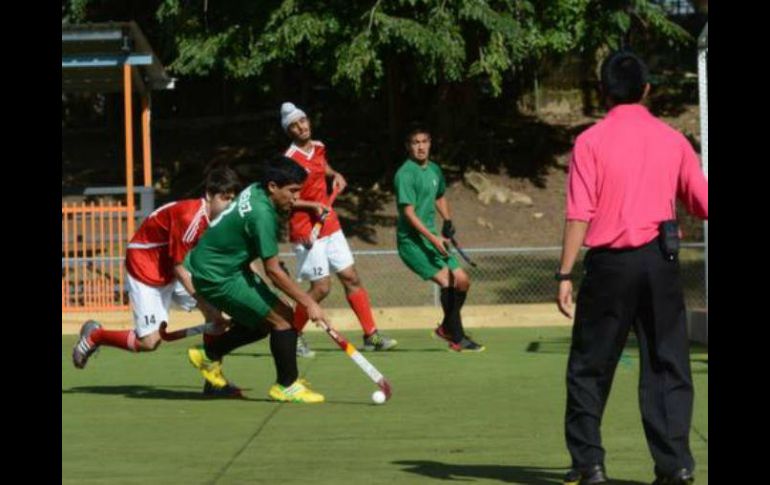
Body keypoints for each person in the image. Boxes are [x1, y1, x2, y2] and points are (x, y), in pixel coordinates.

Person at [556, 51, 708, 485]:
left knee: (590, 364)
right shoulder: (673, 140)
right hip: (660, 262)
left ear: (603, 92)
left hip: (609, 266)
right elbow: (702, 202)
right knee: (667, 363)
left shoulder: (590, 142)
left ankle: (589, 463)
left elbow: (579, 213)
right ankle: (675, 465)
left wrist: (564, 274)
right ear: (647, 89)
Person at [71, 167, 242, 395]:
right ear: (209, 195)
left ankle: (213, 381)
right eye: (224, 198)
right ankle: (95, 335)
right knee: (149, 342)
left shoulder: (216, 219)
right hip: (146, 267)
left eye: (232, 199)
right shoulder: (190, 218)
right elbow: (180, 268)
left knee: (214, 310)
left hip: (172, 265)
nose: (229, 205)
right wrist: (203, 301)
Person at [184, 155, 331, 403]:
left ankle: (208, 354)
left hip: (217, 267)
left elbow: (277, 208)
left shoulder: (256, 190)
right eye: (293, 191)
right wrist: (309, 302)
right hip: (218, 276)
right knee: (284, 319)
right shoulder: (262, 216)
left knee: (263, 324)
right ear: (273, 186)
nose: (296, 197)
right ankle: (287, 386)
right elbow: (273, 271)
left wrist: (306, 206)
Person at [280, 102, 397, 357]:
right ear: (289, 131)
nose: (301, 127)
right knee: (321, 288)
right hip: (306, 230)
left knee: (351, 277)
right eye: (294, 125)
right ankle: (291, 335)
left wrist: (334, 175)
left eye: (303, 121)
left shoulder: (318, 147)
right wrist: (313, 206)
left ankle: (371, 335)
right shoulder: (288, 160)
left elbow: (322, 167)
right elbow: (286, 199)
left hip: (330, 225)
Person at [393, 125, 484, 352]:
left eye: (424, 142)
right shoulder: (405, 174)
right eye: (416, 143)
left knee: (462, 281)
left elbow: (440, 195)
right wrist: (434, 239)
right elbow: (409, 213)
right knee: (447, 282)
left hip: (433, 238)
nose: (421, 147)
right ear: (408, 147)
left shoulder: (434, 169)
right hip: (412, 243)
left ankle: (446, 327)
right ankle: (458, 338)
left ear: (430, 144)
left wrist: (448, 220)